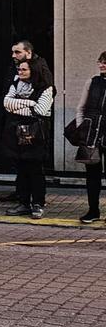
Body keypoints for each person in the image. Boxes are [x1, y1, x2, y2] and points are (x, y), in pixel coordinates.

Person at [2, 59, 55, 220]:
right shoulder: (16, 84)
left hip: (37, 134)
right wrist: (29, 103)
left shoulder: (46, 88)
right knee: (22, 168)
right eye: (19, 69)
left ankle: (38, 203)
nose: (20, 72)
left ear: (34, 71)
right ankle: (24, 203)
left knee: (36, 169)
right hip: (18, 133)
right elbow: (6, 103)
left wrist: (18, 108)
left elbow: (40, 110)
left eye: (24, 69)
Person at [76, 51, 106, 223]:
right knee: (92, 176)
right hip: (92, 134)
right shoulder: (92, 82)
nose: (101, 65)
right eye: (100, 62)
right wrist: (82, 128)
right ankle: (93, 210)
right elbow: (81, 107)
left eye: (105, 62)